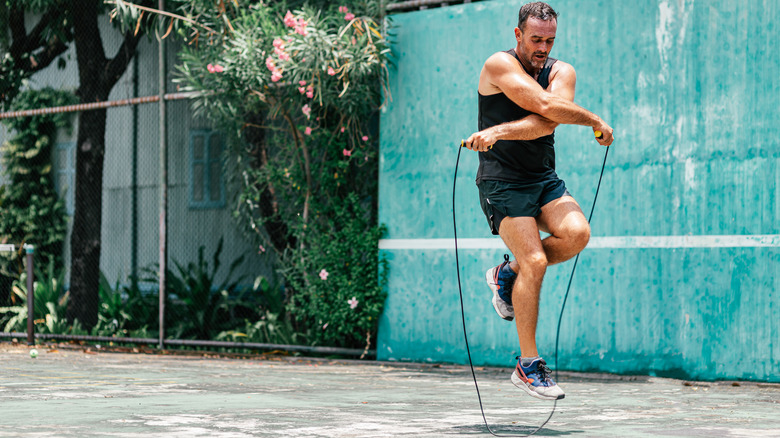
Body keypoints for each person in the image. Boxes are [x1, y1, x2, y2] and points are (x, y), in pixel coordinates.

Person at [463, 1, 614, 401]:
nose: (543, 47)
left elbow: (549, 117)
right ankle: (528, 365)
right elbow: (548, 107)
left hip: (543, 178)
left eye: (549, 40)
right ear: (518, 35)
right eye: (535, 39)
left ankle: (504, 274)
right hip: (502, 181)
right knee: (536, 261)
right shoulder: (499, 65)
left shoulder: (562, 71)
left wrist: (502, 130)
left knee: (577, 234)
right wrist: (594, 121)